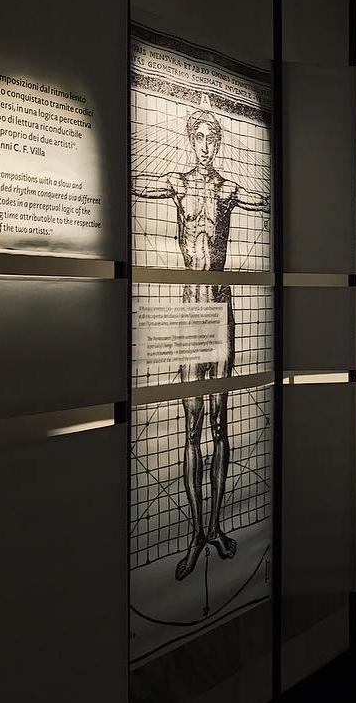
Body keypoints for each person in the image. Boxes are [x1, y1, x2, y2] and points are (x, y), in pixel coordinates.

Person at [133, 106, 270, 580]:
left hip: (221, 307)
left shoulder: (227, 189)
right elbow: (136, 182)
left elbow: (266, 199)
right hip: (191, 309)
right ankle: (197, 534)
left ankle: (215, 528)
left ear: (219, 143)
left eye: (214, 138)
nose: (207, 145)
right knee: (192, 425)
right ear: (191, 141)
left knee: (219, 422)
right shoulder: (177, 183)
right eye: (200, 137)